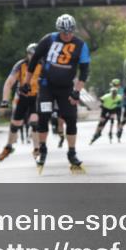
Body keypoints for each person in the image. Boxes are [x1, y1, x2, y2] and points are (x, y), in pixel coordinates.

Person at [21, 14, 91, 173]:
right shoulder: (49, 39)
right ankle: (43, 149)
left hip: (66, 87)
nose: (67, 35)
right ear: (58, 30)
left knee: (71, 119)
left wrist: (77, 92)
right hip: (47, 85)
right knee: (43, 116)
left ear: (74, 30)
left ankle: (72, 153)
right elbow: (34, 61)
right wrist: (26, 82)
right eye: (63, 32)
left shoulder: (81, 45)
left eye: (70, 32)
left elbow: (85, 71)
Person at [0, 44, 41, 165]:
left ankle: (37, 149)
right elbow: (9, 82)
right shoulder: (20, 65)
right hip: (22, 97)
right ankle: (9, 146)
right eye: (31, 54)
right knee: (16, 124)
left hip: (36, 97)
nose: (33, 57)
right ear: (27, 54)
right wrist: (5, 101)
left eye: (35, 55)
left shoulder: (42, 66)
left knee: (34, 121)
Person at [90, 79, 124, 144]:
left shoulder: (115, 90)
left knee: (108, 120)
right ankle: (114, 132)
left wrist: (101, 105)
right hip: (113, 107)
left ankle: (99, 132)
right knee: (111, 120)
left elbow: (104, 99)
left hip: (114, 107)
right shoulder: (117, 90)